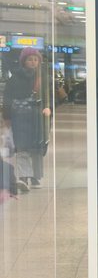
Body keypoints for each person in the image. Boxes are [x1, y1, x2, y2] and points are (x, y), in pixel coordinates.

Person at [2, 47, 51, 192]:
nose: (33, 62)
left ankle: (35, 176)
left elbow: (49, 97)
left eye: (36, 59)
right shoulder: (14, 78)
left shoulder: (42, 78)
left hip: (38, 118)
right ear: (24, 61)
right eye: (30, 59)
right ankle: (24, 176)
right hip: (20, 118)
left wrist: (49, 109)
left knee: (37, 148)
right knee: (22, 147)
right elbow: (7, 99)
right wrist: (7, 117)